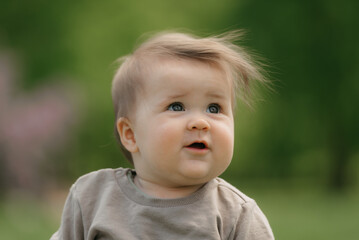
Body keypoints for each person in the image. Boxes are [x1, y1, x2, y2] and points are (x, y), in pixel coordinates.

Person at [51, 30, 275, 240]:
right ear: (130, 135)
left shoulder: (236, 214)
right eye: (177, 106)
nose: (200, 122)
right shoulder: (93, 198)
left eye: (214, 108)